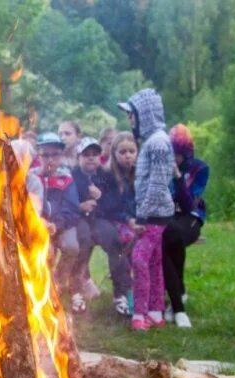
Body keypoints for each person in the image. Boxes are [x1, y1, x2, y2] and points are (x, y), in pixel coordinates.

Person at [119, 89, 175, 331]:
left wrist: (143, 215)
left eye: (132, 115)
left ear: (145, 114)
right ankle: (156, 311)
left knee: (139, 259)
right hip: (153, 212)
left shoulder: (159, 143)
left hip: (154, 214)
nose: (130, 120)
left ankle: (140, 313)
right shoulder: (154, 141)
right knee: (153, 261)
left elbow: (159, 182)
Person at [162, 124, 209, 328]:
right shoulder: (160, 166)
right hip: (167, 216)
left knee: (173, 235)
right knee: (165, 238)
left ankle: (177, 301)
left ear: (186, 153)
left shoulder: (200, 168)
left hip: (191, 216)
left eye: (177, 154)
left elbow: (190, 202)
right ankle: (178, 300)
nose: (173, 158)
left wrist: (178, 177)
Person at [29, 132, 81, 306]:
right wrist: (40, 224)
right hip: (37, 227)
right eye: (45, 154)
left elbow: (72, 209)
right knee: (46, 252)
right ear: (38, 155)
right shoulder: (31, 177)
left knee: (72, 246)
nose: (50, 159)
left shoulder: (66, 179)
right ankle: (43, 285)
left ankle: (58, 280)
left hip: (61, 225)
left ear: (62, 155)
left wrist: (56, 224)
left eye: (55, 154)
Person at [92, 131, 138, 316]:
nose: (127, 156)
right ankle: (120, 295)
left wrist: (136, 219)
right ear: (114, 153)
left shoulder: (140, 174)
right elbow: (107, 205)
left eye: (131, 151)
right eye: (122, 151)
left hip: (132, 220)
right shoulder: (105, 174)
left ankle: (142, 294)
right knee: (116, 242)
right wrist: (128, 219)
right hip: (106, 218)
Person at [70, 137, 107, 313]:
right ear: (78, 157)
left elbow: (114, 203)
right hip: (78, 218)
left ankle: (123, 290)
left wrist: (101, 198)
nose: (91, 158)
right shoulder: (72, 175)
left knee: (109, 236)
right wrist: (80, 206)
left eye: (95, 154)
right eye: (86, 154)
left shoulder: (105, 175)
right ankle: (77, 284)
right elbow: (67, 201)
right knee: (84, 238)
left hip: (100, 218)